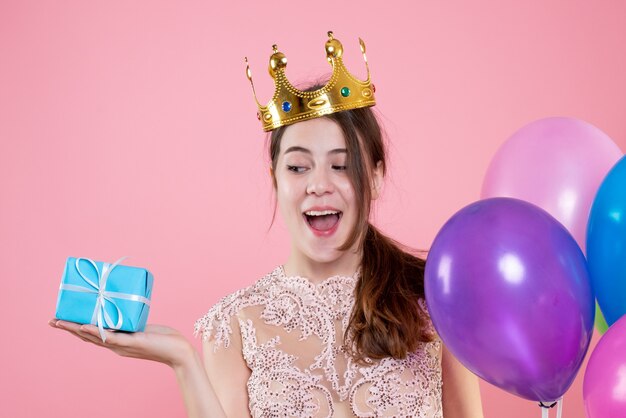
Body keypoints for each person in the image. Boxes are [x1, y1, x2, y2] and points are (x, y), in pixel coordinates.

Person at [49, 32, 484, 418]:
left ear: (375, 175)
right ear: (274, 179)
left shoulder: (437, 300)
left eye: (341, 165)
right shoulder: (234, 323)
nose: (318, 185)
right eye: (297, 167)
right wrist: (182, 360)